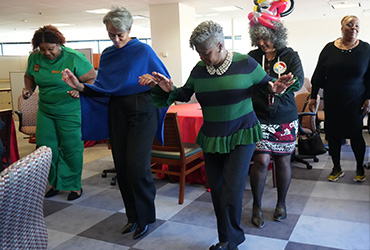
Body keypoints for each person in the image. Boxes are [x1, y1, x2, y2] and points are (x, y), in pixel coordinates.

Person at [138, 20, 298, 250]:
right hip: (212, 136)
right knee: (218, 190)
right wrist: (168, 89)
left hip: (242, 135)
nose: (201, 56)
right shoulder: (199, 70)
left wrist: (276, 87)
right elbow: (184, 93)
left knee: (231, 189)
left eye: (205, 52)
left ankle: (229, 241)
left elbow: (267, 85)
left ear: (221, 46)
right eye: (198, 52)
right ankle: (228, 236)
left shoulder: (245, 63)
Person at [62, 6, 170, 240]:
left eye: (120, 34)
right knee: (122, 168)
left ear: (129, 29)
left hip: (143, 111)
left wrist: (154, 80)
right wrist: (79, 86)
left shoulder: (143, 50)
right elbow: (102, 90)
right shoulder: (109, 55)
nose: (116, 39)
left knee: (137, 167)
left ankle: (145, 217)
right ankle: (132, 216)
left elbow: (166, 86)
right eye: (112, 34)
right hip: (117, 112)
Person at [23, 25, 96, 201]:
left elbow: (92, 78)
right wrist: (28, 89)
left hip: (70, 110)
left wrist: (80, 90)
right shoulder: (34, 58)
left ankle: (73, 185)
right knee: (45, 149)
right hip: (46, 110)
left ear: (59, 43)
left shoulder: (74, 57)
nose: (47, 53)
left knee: (71, 148)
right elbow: (29, 76)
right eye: (42, 50)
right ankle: (54, 183)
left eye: (50, 49)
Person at [248, 21, 304, 228]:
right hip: (259, 116)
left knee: (282, 161)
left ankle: (281, 203)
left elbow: (297, 80)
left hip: (284, 117)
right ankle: (257, 205)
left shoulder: (290, 55)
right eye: (259, 38)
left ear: (277, 36)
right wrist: (268, 86)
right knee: (261, 161)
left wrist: (283, 87)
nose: (262, 42)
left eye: (267, 38)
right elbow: (246, 81)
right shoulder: (252, 57)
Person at [309, 15, 370, 183]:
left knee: (356, 135)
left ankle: (359, 167)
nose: (354, 28)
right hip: (333, 99)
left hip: (356, 100)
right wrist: (314, 96)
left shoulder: (366, 49)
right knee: (333, 135)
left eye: (357, 25)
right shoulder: (329, 49)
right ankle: (336, 168)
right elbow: (319, 74)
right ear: (341, 28)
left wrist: (369, 98)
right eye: (350, 25)